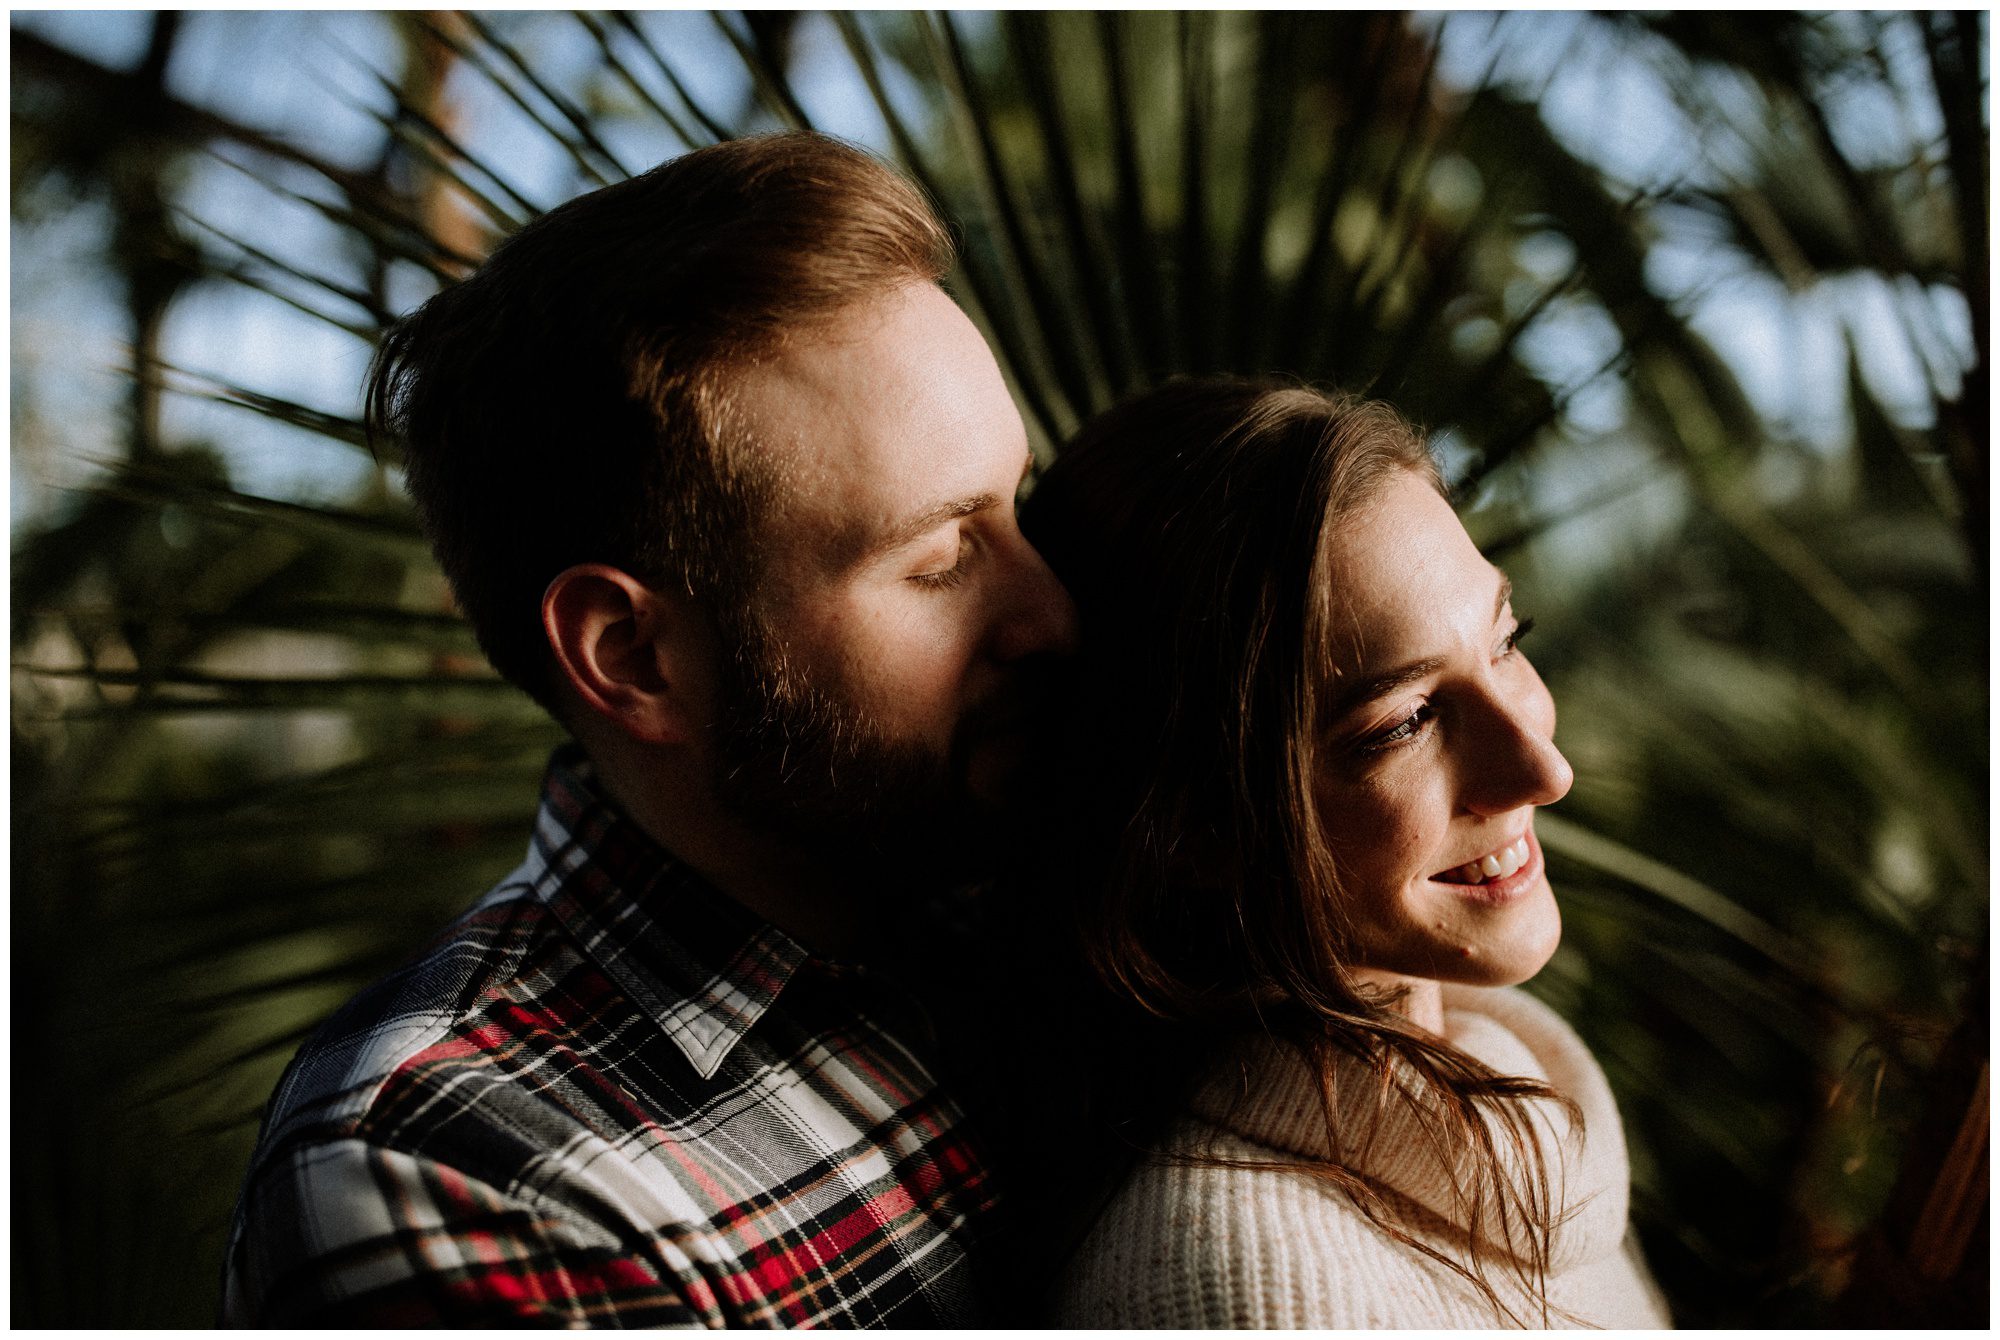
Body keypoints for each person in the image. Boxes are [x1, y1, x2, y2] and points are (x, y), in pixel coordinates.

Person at [221, 132, 1077, 1327]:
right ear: (633, 656)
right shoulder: (458, 1167)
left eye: (1018, 504)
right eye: (941, 557)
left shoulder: (1060, 896)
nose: (1050, 612)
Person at [1015, 378, 1671, 1328]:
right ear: (1195, 828)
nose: (1544, 770)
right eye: (1405, 722)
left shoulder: (1526, 1116)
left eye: (1507, 642)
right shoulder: (1238, 1284)